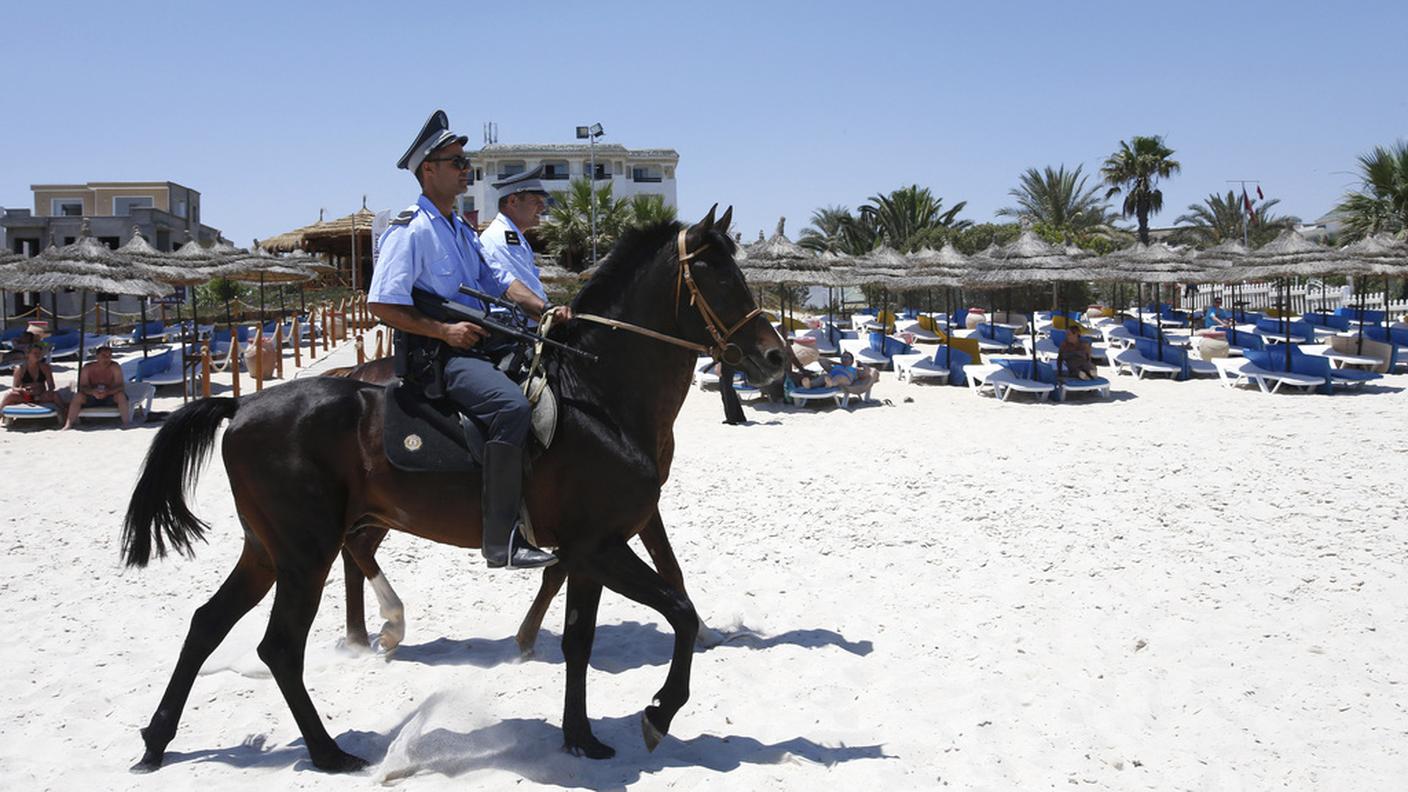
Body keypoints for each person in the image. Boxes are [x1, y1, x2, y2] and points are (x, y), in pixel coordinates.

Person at [367, 109, 568, 571]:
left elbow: (499, 281)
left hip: (473, 342)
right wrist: (443, 331)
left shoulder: (459, 229)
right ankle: (501, 539)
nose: (465, 170)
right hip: (435, 354)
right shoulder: (410, 230)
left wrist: (545, 309)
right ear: (428, 169)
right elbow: (381, 304)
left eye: (465, 162)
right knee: (511, 407)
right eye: (456, 162)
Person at [480, 166, 551, 320]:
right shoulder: (502, 238)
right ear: (513, 201)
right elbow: (523, 296)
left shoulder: (514, 236)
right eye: (536, 202)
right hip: (516, 330)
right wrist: (553, 318)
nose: (542, 208)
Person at [64, 345, 129, 429]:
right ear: (97, 356)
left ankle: (126, 423)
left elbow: (120, 386)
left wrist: (108, 392)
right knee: (78, 396)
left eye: (109, 356)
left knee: (121, 396)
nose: (106, 359)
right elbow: (82, 387)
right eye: (103, 356)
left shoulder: (115, 367)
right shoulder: (87, 368)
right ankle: (68, 424)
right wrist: (92, 392)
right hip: (92, 396)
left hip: (110, 396)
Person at [3, 345, 64, 412]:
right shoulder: (20, 369)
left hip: (41, 396)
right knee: (9, 395)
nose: (38, 355)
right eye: (35, 353)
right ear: (28, 354)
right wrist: (22, 390)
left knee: (55, 395)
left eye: (39, 353)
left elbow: (51, 385)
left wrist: (48, 392)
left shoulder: (45, 368)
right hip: (26, 397)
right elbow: (14, 387)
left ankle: (64, 414)